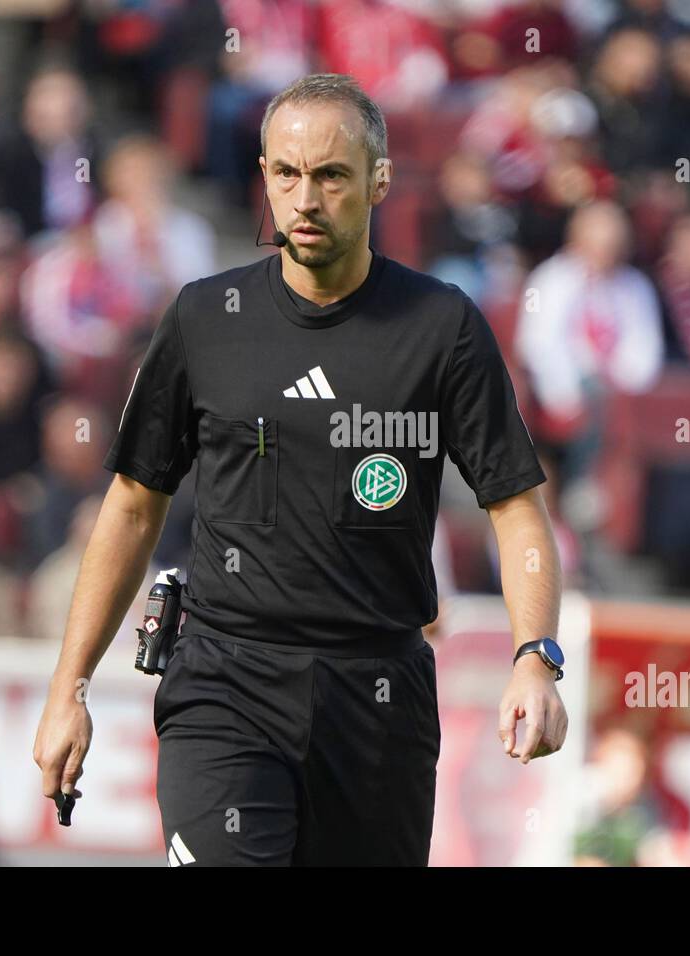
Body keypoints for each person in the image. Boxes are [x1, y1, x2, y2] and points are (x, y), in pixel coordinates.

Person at [33, 73, 568, 866]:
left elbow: (516, 511)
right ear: (263, 175)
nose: (305, 198)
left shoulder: (442, 326)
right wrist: (67, 687)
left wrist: (537, 659)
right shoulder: (204, 319)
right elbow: (133, 505)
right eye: (286, 174)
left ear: (378, 181)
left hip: (378, 703)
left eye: (330, 175)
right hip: (224, 683)